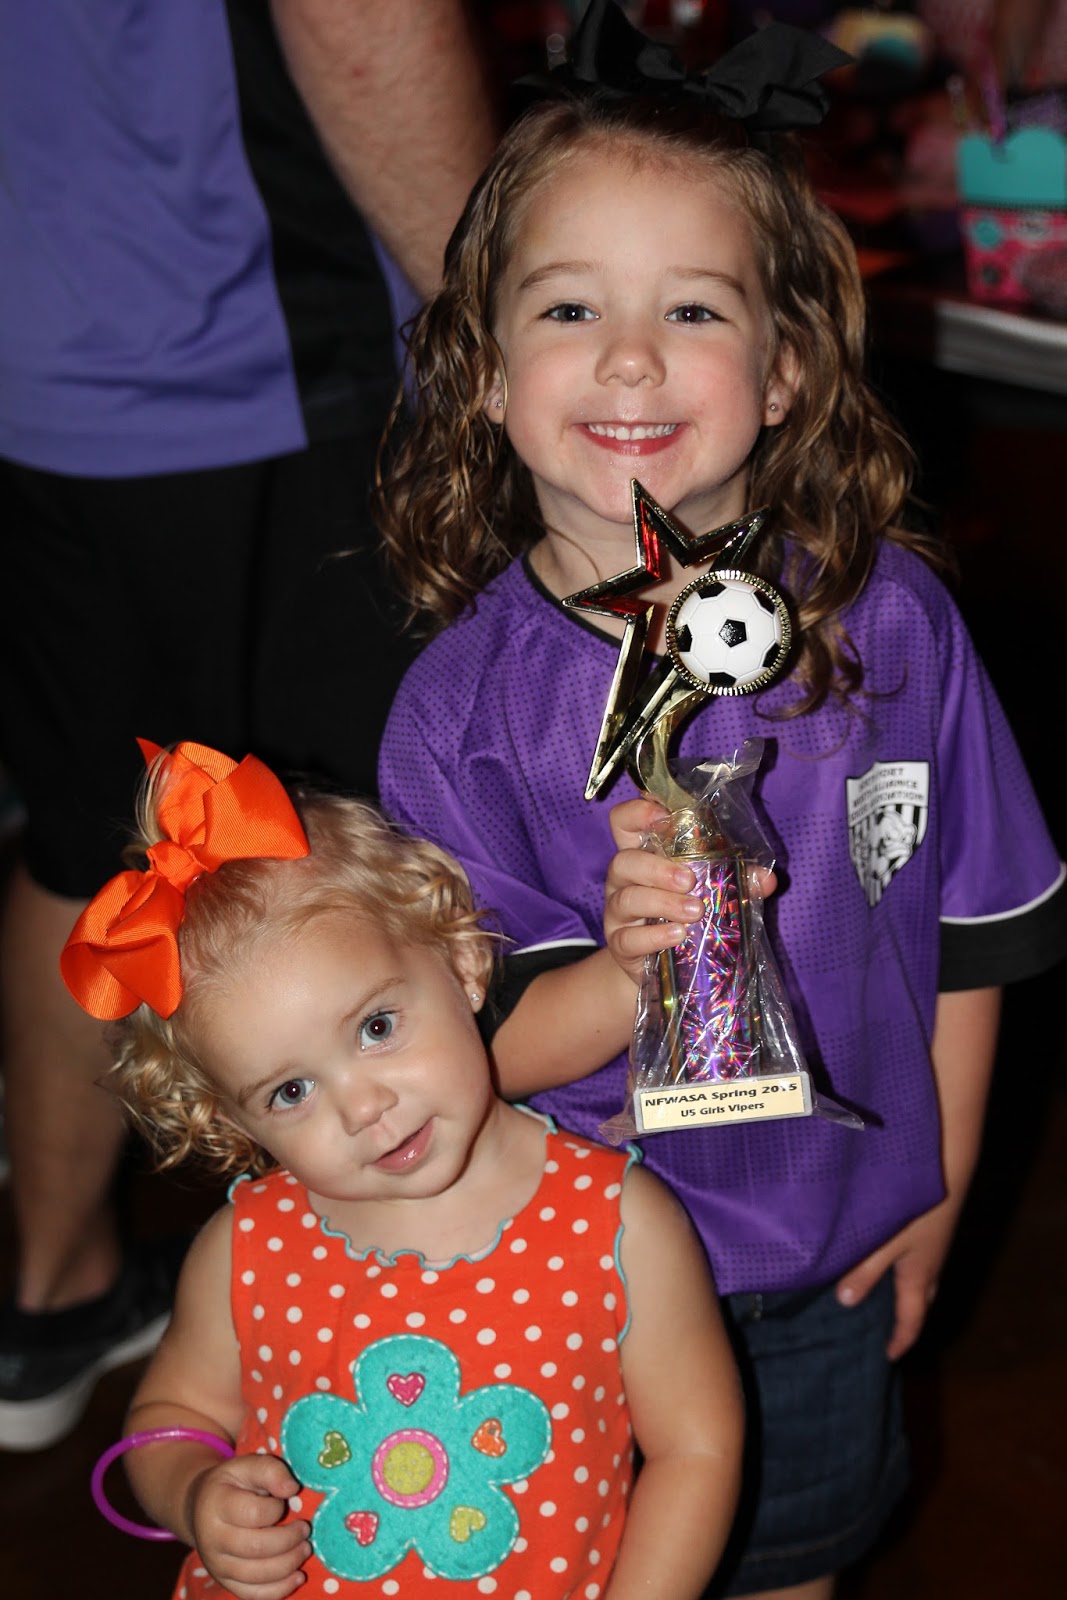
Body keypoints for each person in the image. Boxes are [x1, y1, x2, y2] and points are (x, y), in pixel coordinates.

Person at [374, 4, 1067, 1597]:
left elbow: (970, 933)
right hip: (575, 1273)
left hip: (819, 1263)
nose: (628, 357)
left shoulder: (892, 628)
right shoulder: (458, 714)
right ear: (481, 371)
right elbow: (460, 1053)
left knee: (783, 1564)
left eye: (690, 307)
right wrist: (621, 974)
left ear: (783, 370)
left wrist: (934, 1191)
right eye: (568, 308)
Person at [0, 0, 496, 1452]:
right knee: (393, 851)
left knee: (97, 843)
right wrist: (504, 327)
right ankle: (430, 1355)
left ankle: (50, 1290)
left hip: (35, 356)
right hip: (256, 343)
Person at [61, 739, 743, 1600]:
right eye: (291, 1091)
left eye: (376, 1028)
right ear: (231, 1119)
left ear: (461, 962)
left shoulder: (617, 1225)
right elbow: (171, 1419)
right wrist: (195, 1496)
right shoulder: (245, 1249)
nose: (362, 1108)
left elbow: (695, 1448)